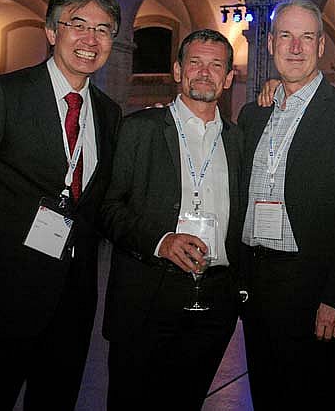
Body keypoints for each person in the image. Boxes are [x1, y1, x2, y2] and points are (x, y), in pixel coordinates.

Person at [0, 0, 122, 410]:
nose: (91, 39)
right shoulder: (2, 95)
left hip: (70, 307)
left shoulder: (109, 113)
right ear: (52, 31)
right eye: (78, 25)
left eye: (103, 29)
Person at [239, 0, 335, 410]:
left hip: (313, 286)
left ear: (321, 46)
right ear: (270, 44)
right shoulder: (253, 115)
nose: (295, 47)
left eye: (306, 37)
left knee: (318, 396)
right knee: (266, 393)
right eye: (286, 36)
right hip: (257, 283)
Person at [100, 29, 243, 410]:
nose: (204, 73)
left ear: (229, 78)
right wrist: (160, 241)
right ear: (178, 70)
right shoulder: (138, 129)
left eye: (216, 66)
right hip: (147, 297)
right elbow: (108, 207)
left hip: (214, 301)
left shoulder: (238, 140)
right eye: (195, 62)